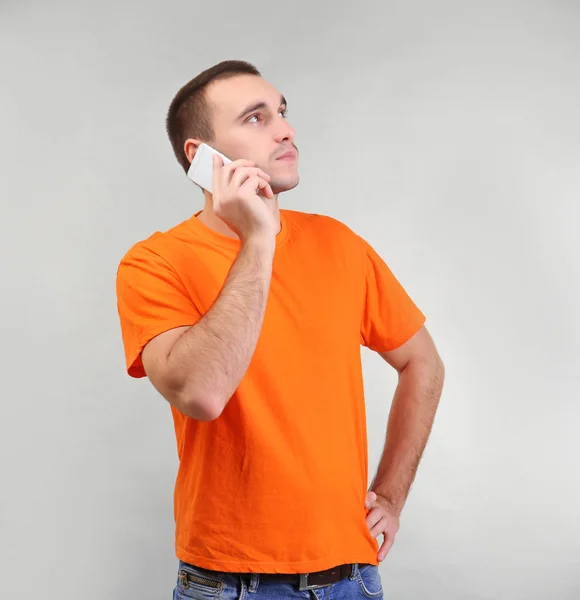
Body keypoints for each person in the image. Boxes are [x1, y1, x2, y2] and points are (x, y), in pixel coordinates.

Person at [115, 60, 445, 599]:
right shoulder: (154, 263)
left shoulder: (340, 244)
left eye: (283, 112)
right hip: (228, 583)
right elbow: (200, 392)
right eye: (255, 118)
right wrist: (259, 241)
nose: (285, 129)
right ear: (201, 158)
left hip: (351, 578)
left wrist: (391, 495)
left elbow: (423, 362)